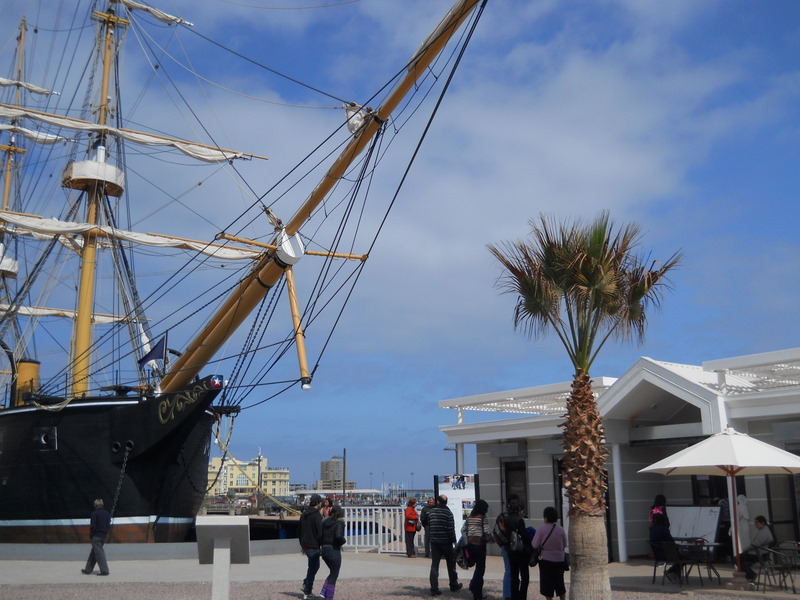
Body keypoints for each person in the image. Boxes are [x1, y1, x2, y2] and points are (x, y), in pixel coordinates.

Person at [428, 494, 462, 596]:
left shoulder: (431, 513)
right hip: (446, 542)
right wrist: (454, 541)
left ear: (438, 502)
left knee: (435, 565)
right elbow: (451, 529)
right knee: (451, 565)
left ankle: (434, 588)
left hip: (435, 542)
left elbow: (429, 526)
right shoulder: (448, 513)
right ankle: (453, 584)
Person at [530, 506, 567, 600]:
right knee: (560, 584)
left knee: (547, 587)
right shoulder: (560, 529)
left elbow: (534, 544)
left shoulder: (541, 529)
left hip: (546, 560)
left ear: (545, 517)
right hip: (559, 560)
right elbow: (565, 544)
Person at [461, 498, 492, 600]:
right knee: (480, 569)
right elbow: (487, 532)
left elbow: (463, 530)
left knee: (477, 568)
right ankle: (477, 593)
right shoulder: (483, 517)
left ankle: (473, 585)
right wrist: (491, 539)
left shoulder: (470, 517)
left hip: (470, 545)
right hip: (480, 545)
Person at [500, 496, 529, 600]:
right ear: (518, 509)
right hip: (521, 551)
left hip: (511, 550)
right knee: (525, 576)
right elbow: (524, 536)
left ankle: (514, 596)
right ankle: (522, 596)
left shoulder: (506, 519)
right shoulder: (519, 520)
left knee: (514, 575)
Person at [299, 493, 324, 599]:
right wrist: (322, 544)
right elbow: (320, 532)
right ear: (318, 503)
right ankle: (307, 590)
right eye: (320, 502)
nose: (321, 504)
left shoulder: (304, 514)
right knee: (314, 567)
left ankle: (306, 584)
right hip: (313, 545)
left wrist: (301, 542)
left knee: (312, 566)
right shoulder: (317, 516)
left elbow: (299, 529)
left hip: (305, 544)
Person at [319, 504, 346, 600]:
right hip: (334, 550)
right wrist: (343, 541)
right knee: (334, 574)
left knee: (332, 572)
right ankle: (329, 597)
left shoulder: (324, 522)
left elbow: (320, 536)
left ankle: (323, 593)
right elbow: (338, 536)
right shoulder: (339, 522)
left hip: (324, 549)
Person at [82, 498, 111, 576]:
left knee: (99, 553)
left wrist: (91, 535)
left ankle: (104, 570)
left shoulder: (95, 513)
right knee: (94, 552)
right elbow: (108, 525)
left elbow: (93, 526)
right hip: (103, 535)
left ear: (95, 505)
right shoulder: (107, 513)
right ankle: (88, 569)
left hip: (96, 535)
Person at [649, 512, 681, 582]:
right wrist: (678, 548)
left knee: (680, 557)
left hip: (658, 555)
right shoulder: (664, 529)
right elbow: (671, 542)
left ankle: (672, 572)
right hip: (667, 554)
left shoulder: (652, 529)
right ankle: (672, 572)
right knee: (684, 557)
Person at [741, 515, 774, 582]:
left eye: (756, 522)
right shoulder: (764, 530)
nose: (755, 525)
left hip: (760, 554)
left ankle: (751, 575)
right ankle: (748, 574)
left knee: (737, 559)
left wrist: (745, 550)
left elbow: (755, 544)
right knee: (742, 559)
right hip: (762, 553)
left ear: (762, 523)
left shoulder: (764, 532)